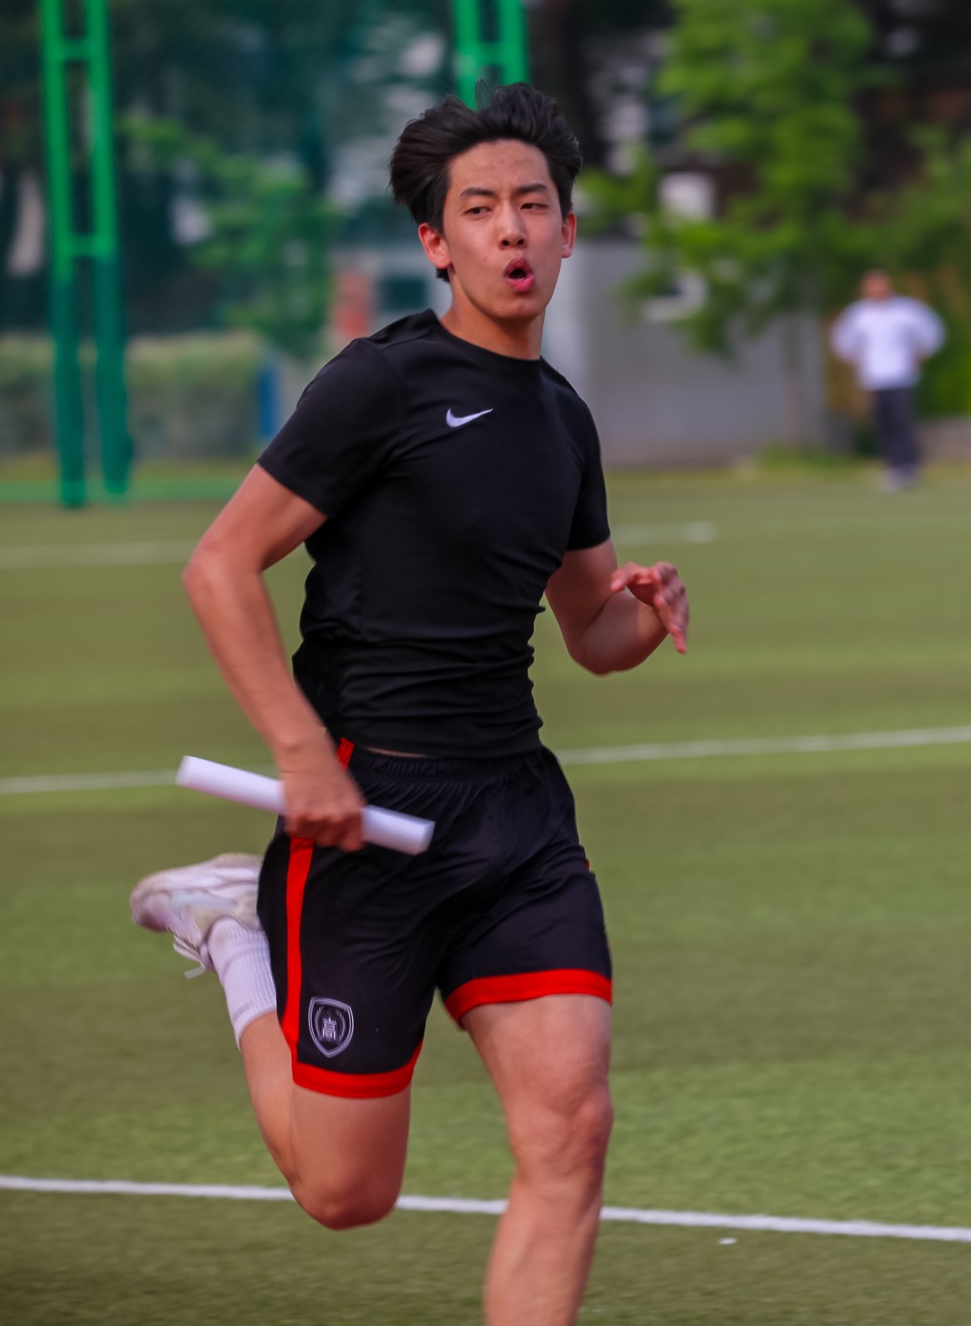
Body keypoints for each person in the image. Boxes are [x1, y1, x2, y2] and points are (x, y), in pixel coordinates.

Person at [129, 83, 689, 1326]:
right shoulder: (380, 383)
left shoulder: (563, 420)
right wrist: (299, 754)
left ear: (567, 232)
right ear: (436, 241)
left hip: (516, 823)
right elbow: (220, 565)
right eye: (478, 209)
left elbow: (589, 630)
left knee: (570, 1132)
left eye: (532, 205)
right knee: (345, 1194)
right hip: (364, 813)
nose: (510, 229)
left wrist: (647, 610)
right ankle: (233, 933)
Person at [830, 269, 945, 489]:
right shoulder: (858, 314)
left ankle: (909, 467)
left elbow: (932, 332)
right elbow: (843, 341)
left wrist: (920, 354)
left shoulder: (907, 310)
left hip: (901, 375)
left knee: (903, 423)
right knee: (883, 425)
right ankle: (892, 467)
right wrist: (855, 359)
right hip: (873, 378)